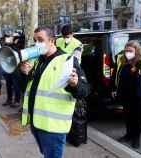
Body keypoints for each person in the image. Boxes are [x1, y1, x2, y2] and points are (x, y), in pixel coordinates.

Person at [20, 27, 89, 158]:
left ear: (51, 41)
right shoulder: (38, 60)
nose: (36, 44)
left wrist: (75, 84)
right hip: (37, 123)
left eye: (40, 40)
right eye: (35, 40)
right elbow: (27, 88)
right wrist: (24, 74)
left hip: (53, 128)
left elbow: (84, 91)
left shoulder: (67, 60)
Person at [112, 40, 141, 149]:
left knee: (138, 119)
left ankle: (136, 138)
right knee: (127, 117)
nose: (127, 53)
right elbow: (115, 75)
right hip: (126, 95)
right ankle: (128, 135)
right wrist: (113, 88)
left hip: (140, 96)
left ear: (137, 51)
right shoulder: (121, 59)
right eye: (126, 51)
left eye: (130, 51)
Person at [1, 35, 21, 108]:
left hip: (16, 68)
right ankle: (9, 99)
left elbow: (18, 52)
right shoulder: (7, 45)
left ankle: (17, 101)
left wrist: (12, 43)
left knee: (16, 86)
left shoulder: (17, 45)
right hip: (8, 67)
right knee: (8, 85)